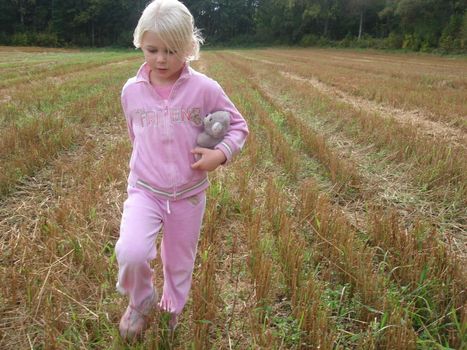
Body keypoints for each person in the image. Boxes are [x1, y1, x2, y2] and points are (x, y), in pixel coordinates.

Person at [114, 0, 249, 341]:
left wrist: (220, 154)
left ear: (190, 48)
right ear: (139, 43)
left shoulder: (205, 88)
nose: (161, 59)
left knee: (178, 262)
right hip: (145, 188)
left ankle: (171, 308)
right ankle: (140, 301)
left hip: (188, 195)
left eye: (172, 51)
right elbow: (136, 138)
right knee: (130, 252)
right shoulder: (131, 92)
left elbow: (238, 127)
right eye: (152, 49)